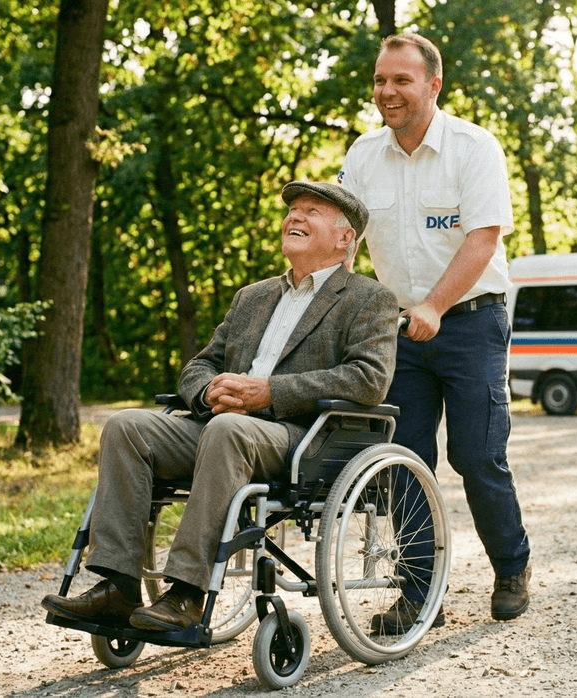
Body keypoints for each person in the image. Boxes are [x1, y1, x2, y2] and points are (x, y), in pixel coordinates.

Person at [42, 182, 399, 632]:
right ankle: (117, 586)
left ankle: (187, 594)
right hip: (222, 425)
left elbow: (369, 378)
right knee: (126, 427)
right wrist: (209, 390)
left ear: (345, 238)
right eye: (292, 209)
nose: (295, 216)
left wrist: (270, 391)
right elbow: (200, 364)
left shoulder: (370, 299)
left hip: (303, 437)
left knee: (228, 430)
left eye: (312, 211)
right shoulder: (253, 297)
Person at [338, 32, 531, 628]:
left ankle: (512, 567)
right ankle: (421, 593)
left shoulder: (474, 148)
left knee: (477, 455)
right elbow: (344, 242)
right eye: (380, 80)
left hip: (472, 322)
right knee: (403, 460)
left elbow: (483, 239)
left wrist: (435, 307)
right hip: (398, 329)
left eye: (401, 79)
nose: (387, 91)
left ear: (433, 85)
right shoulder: (362, 155)